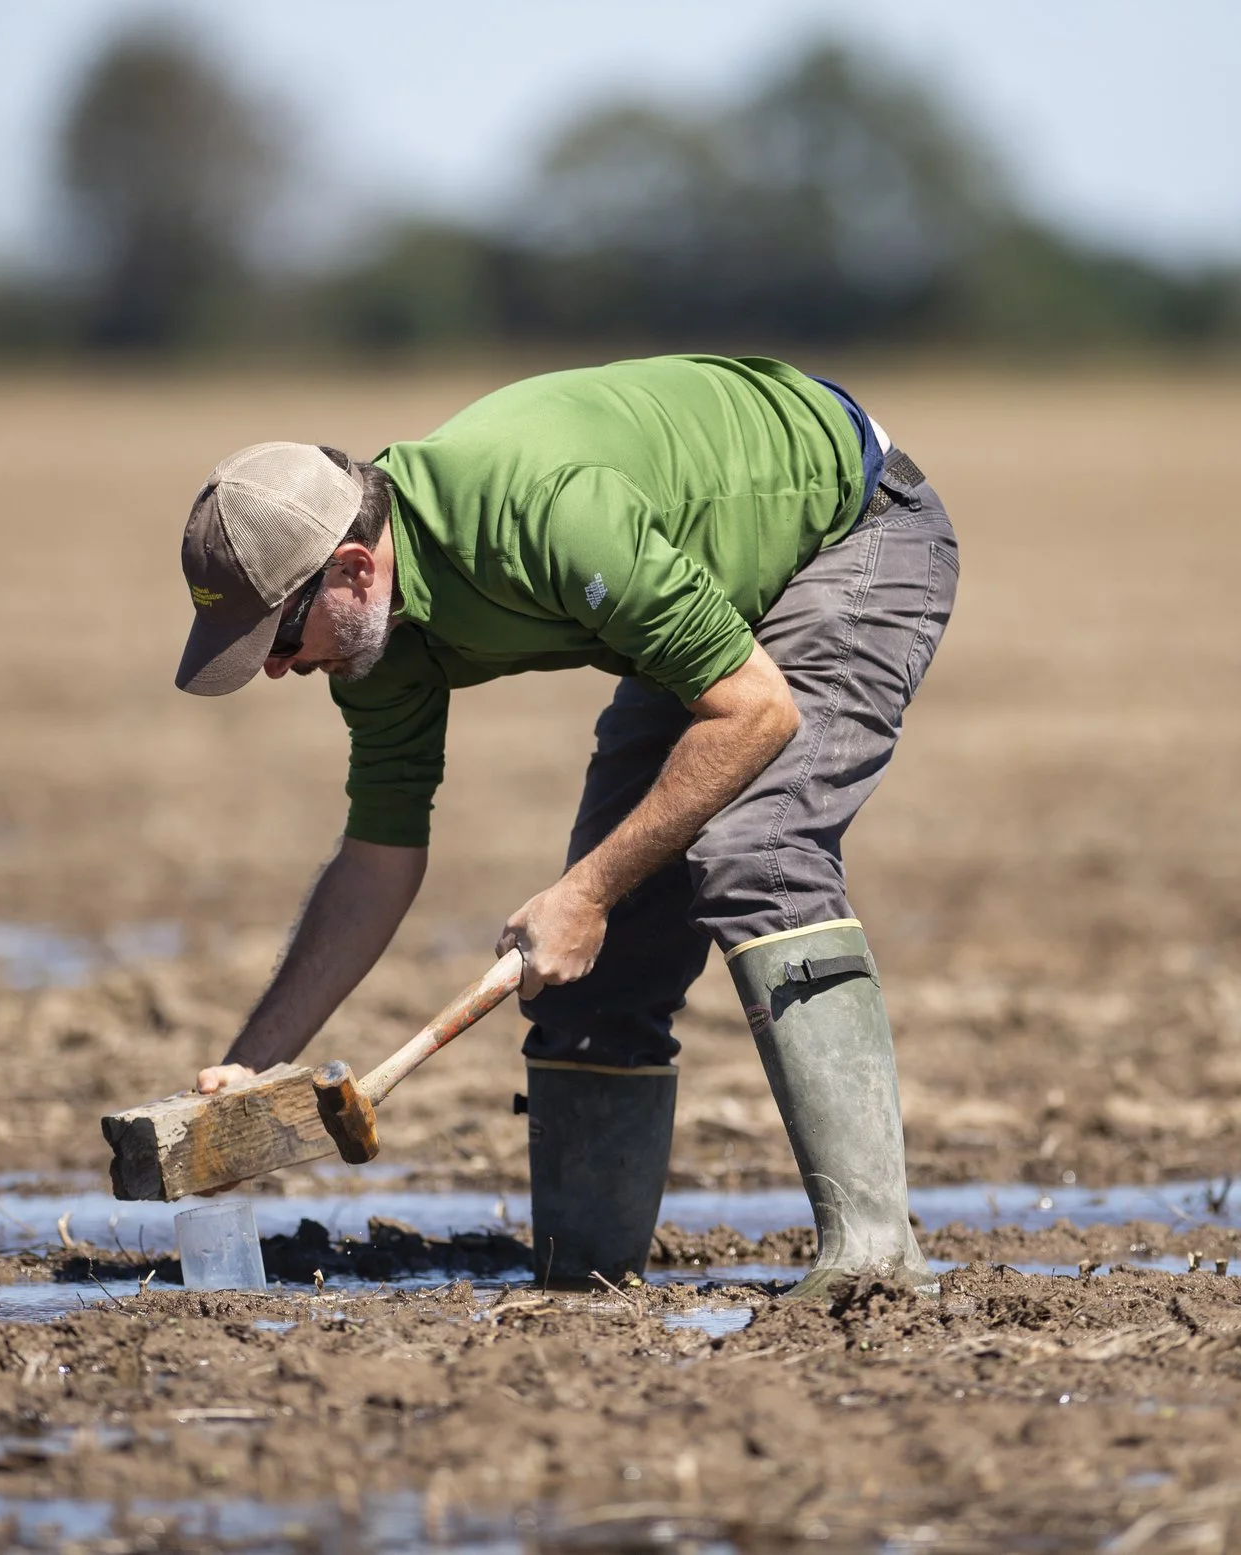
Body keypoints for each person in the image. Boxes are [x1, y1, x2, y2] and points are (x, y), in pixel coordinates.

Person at [177, 354, 956, 1297]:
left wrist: (585, 890)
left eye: (280, 638)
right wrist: (256, 1067)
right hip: (699, 590)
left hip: (848, 531)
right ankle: (586, 1282)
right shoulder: (370, 645)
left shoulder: (540, 514)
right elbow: (379, 858)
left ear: (350, 568)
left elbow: (757, 711)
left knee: (757, 852)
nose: (275, 671)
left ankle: (876, 1259)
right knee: (587, 975)